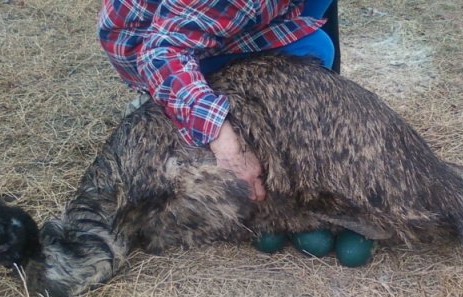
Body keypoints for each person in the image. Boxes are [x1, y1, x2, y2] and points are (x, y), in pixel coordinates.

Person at [97, 0, 339, 202]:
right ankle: (167, 100)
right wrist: (219, 134)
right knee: (314, 48)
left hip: (190, 16)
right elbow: (160, 53)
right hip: (142, 45)